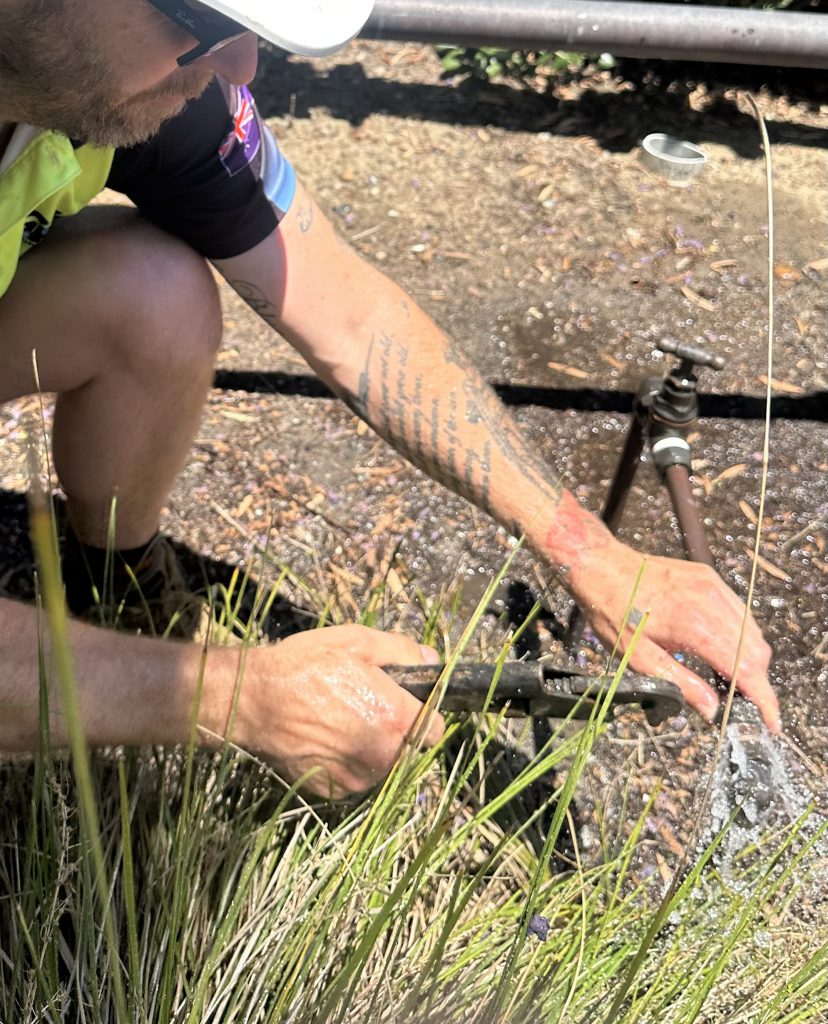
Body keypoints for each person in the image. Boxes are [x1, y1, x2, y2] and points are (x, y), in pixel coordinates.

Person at [0, 0, 779, 798]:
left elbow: (353, 318)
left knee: (154, 292)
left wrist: (591, 554)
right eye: (201, 20)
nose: (240, 67)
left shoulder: (149, 91)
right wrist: (235, 697)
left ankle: (116, 575)